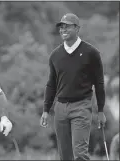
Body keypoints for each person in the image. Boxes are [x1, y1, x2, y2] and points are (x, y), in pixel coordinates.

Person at [40, 13, 106, 160]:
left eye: (67, 26)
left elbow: (99, 83)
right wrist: (46, 109)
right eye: (61, 26)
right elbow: (51, 84)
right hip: (60, 108)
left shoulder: (91, 53)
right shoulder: (55, 55)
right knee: (65, 156)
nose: (63, 29)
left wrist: (101, 110)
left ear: (77, 28)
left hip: (81, 107)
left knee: (80, 155)